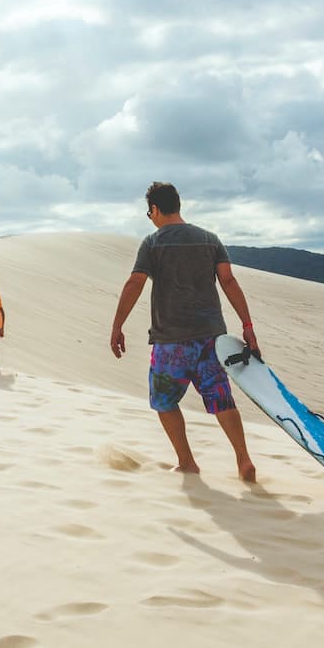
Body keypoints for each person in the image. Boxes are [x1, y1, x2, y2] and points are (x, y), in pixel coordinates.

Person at [110, 182, 259, 481]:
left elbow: (135, 282)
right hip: (211, 339)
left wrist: (117, 325)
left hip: (171, 341)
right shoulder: (210, 239)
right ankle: (243, 460)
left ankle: (187, 461)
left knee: (164, 401)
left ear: (154, 209)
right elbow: (229, 282)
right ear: (178, 205)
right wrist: (248, 327)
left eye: (148, 212)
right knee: (221, 399)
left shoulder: (152, 243)